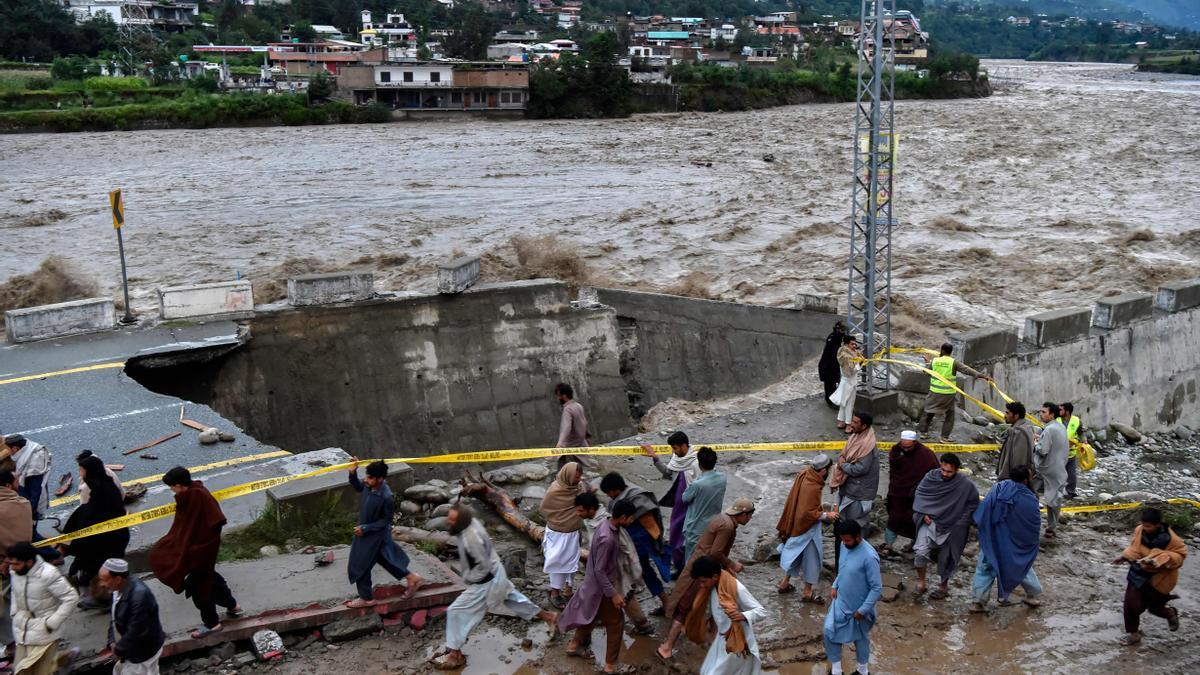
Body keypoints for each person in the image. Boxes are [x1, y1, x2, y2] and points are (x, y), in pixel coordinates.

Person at [434, 504, 557, 670]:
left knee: (456, 610)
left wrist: (470, 580)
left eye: (452, 520)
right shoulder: (471, 524)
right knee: (515, 600)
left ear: (461, 522)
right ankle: (549, 617)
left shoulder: (472, 539)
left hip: (487, 580)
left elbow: (482, 568)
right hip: (496, 571)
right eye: (449, 519)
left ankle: (455, 654)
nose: (449, 523)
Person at [148, 467, 241, 639]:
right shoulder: (190, 494)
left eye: (172, 487)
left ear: (179, 485)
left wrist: (197, 549)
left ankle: (212, 624)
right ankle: (233, 605)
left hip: (202, 551)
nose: (172, 491)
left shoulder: (198, 496)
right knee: (210, 578)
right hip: (199, 550)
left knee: (200, 587)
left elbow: (216, 521)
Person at [658, 498, 755, 661]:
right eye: (750, 516)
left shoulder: (722, 519)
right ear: (743, 514)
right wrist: (731, 563)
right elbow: (716, 552)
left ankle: (713, 643)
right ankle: (667, 647)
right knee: (685, 609)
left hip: (706, 567)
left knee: (715, 607)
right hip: (704, 571)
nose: (750, 519)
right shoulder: (728, 527)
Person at [560, 499, 635, 674]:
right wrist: (614, 595)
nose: (632, 521)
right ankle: (611, 665)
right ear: (623, 517)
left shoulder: (604, 525)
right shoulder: (608, 539)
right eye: (631, 518)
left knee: (590, 617)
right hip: (602, 589)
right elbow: (601, 571)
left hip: (592, 585)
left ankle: (574, 646)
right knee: (616, 623)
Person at [346, 459, 422, 608]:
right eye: (366, 476)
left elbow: (385, 521)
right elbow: (358, 486)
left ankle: (366, 598)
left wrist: (366, 528)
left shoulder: (386, 497)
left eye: (369, 478)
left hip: (373, 535)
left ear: (380, 479)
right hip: (367, 533)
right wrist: (352, 472)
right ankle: (412, 578)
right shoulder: (369, 485)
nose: (365, 480)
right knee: (385, 558)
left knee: (360, 564)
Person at [576, 493, 653, 635]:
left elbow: (623, 548)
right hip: (606, 566)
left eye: (580, 510)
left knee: (622, 594)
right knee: (615, 595)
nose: (578, 513)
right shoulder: (600, 522)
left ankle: (642, 624)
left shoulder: (604, 527)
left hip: (613, 567)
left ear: (591, 509)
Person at [970, 465, 1043, 613]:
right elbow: (1032, 526)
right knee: (1021, 566)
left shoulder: (998, 488)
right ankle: (1032, 595)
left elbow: (983, 510)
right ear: (1026, 480)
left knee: (985, 568)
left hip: (992, 539)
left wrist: (985, 531)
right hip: (1014, 544)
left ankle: (977, 602)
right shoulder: (1030, 499)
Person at [61, 455, 129, 610]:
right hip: (109, 537)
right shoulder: (103, 484)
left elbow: (91, 518)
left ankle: (104, 601)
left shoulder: (97, 490)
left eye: (81, 469)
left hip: (107, 540)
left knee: (98, 570)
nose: (79, 472)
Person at [1112, 507, 1187, 646]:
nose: (1145, 528)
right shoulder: (1139, 530)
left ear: (1158, 524)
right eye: (1143, 525)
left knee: (1155, 608)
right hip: (1137, 573)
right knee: (1131, 605)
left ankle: (1170, 614)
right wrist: (1123, 557)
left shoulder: (1172, 540)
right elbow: (1134, 548)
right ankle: (1134, 634)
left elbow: (1180, 556)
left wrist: (1162, 559)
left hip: (1159, 578)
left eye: (1149, 526)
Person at [599, 472, 670, 613]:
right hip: (630, 542)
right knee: (641, 572)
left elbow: (652, 525)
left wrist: (657, 542)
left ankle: (666, 603)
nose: (608, 496)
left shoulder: (637, 498)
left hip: (639, 543)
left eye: (608, 493)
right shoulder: (622, 497)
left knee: (642, 571)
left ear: (615, 490)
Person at [912, 453, 978, 599]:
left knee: (946, 557)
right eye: (943, 470)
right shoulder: (930, 478)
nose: (945, 474)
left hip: (952, 526)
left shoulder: (965, 484)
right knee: (920, 552)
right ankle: (921, 582)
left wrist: (962, 521)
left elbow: (973, 503)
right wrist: (923, 514)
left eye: (949, 472)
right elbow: (920, 495)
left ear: (957, 470)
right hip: (930, 522)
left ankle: (943, 586)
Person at [688, 556, 768, 675]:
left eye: (703, 581)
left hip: (737, 642)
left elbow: (762, 611)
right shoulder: (714, 586)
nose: (701, 585)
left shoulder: (736, 588)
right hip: (721, 641)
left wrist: (743, 615)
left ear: (715, 577)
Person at [7, 542, 78, 675]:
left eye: (17, 564)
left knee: (41, 672)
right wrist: (14, 612)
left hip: (46, 632)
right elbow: (14, 592)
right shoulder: (15, 572)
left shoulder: (48, 574)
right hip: (22, 629)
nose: (13, 568)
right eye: (11, 564)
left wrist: (52, 622)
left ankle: (63, 660)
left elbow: (71, 597)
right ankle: (65, 659)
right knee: (22, 671)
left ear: (29, 562)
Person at [823, 521, 881, 675]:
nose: (845, 543)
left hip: (860, 607)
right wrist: (835, 584)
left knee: (860, 639)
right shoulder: (844, 545)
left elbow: (876, 588)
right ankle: (836, 671)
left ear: (858, 537)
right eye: (843, 540)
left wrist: (862, 610)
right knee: (829, 631)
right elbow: (843, 568)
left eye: (848, 540)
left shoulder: (869, 557)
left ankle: (863, 671)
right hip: (841, 601)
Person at [776, 454, 836, 602]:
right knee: (813, 557)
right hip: (807, 528)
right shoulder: (813, 487)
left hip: (795, 524)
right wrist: (827, 515)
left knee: (795, 553)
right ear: (823, 471)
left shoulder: (805, 474)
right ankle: (807, 592)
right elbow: (808, 513)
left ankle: (785, 583)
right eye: (828, 469)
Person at [641, 431, 699, 575]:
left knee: (689, 537)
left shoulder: (697, 461)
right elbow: (668, 473)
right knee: (675, 535)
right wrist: (655, 458)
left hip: (692, 505)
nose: (673, 451)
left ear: (684, 445)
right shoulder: (677, 459)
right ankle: (680, 566)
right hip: (679, 507)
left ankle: (688, 567)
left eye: (675, 448)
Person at [99, 558, 165, 675]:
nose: (101, 584)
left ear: (118, 579)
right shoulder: (117, 590)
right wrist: (112, 641)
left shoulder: (139, 597)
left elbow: (136, 631)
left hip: (142, 652)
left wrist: (119, 650)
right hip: (132, 649)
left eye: (104, 580)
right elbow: (114, 617)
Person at [918, 343, 993, 443]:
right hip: (947, 395)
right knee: (950, 415)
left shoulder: (935, 361)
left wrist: (927, 363)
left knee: (929, 412)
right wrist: (982, 376)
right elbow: (967, 370)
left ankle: (923, 433)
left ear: (942, 350)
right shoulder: (953, 362)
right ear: (950, 352)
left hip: (934, 393)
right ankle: (944, 437)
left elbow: (926, 372)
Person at [881, 431, 938, 558]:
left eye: (908, 447)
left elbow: (934, 474)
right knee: (894, 519)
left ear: (914, 443)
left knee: (915, 521)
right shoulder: (896, 451)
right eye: (903, 447)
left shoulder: (926, 455)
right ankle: (888, 545)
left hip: (917, 496)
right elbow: (894, 471)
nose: (905, 449)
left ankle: (915, 543)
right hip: (898, 493)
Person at [540, 461, 587, 609]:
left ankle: (568, 589)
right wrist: (561, 520)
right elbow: (545, 510)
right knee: (557, 563)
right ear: (568, 475)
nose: (578, 479)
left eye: (579, 477)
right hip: (557, 534)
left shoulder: (579, 488)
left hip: (573, 533)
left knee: (572, 563)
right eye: (576, 477)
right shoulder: (554, 491)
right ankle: (555, 592)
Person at [830, 411, 878, 538]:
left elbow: (860, 469)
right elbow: (844, 454)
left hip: (859, 493)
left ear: (864, 426)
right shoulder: (855, 437)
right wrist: (842, 461)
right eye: (852, 421)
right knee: (845, 521)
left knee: (857, 524)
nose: (852, 424)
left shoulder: (867, 445)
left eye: (856, 422)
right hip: (849, 489)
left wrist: (842, 465)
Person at [681, 447, 726, 565]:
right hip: (714, 525)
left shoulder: (697, 484)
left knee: (691, 562)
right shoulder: (723, 478)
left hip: (695, 528)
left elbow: (685, 498)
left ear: (700, 465)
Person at [1034, 402, 1068, 539]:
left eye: (1044, 412)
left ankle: (1033, 522)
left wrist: (1035, 444)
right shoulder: (1060, 427)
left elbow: (1043, 450)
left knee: (1031, 492)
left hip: (1045, 469)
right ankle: (1051, 528)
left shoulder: (1049, 430)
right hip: (1058, 467)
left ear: (1052, 414)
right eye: (1040, 412)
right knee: (1054, 499)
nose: (1041, 414)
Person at [4, 436, 49, 523]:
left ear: (15, 448)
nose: (7, 452)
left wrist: (28, 513)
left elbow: (36, 493)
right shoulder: (25, 450)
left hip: (28, 505)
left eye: (8, 449)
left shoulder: (33, 467)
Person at [555, 383, 592, 468]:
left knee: (564, 472)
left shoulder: (568, 410)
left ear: (564, 396)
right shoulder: (578, 406)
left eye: (559, 396)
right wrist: (587, 436)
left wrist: (560, 444)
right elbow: (584, 422)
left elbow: (566, 428)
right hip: (581, 444)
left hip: (570, 448)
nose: (558, 398)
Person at [996, 401, 1035, 481]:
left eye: (1008, 413)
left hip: (1014, 479)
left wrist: (1012, 479)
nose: (1005, 416)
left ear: (1016, 416)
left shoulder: (1019, 432)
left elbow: (1018, 460)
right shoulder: (1023, 428)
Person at [831, 336, 861, 430]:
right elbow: (850, 372)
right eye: (852, 344)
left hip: (845, 382)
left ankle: (841, 421)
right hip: (849, 382)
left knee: (844, 403)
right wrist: (859, 364)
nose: (854, 345)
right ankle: (848, 425)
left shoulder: (843, 352)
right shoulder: (847, 356)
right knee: (849, 404)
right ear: (846, 344)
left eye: (855, 343)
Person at [0, 469, 32, 553]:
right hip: (22, 553)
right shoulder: (24, 503)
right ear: (8, 486)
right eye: (17, 482)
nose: (19, 485)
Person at [818, 321, 847, 409]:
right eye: (842, 330)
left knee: (836, 383)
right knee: (830, 385)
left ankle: (834, 399)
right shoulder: (832, 338)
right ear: (838, 329)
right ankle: (830, 402)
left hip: (834, 365)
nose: (843, 332)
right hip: (828, 366)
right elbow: (835, 351)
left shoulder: (841, 337)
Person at [1059, 402, 1082, 499]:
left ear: (1067, 412)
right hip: (1058, 453)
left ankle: (1070, 491)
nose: (1059, 411)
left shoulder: (1076, 420)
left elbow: (1081, 433)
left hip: (1071, 452)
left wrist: (1083, 441)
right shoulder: (1056, 420)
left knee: (1071, 474)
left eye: (1061, 409)